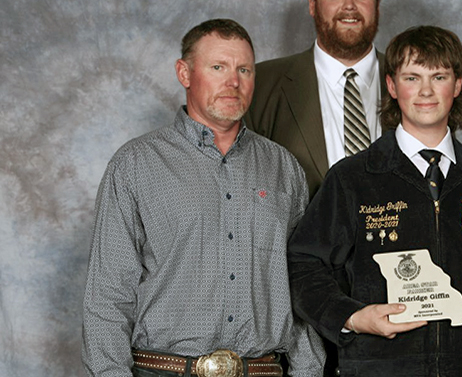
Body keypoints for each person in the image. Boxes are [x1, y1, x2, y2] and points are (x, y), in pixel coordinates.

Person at [82, 19, 324, 377]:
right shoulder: (135, 165)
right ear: (184, 73)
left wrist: (309, 371)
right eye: (218, 67)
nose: (233, 81)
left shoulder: (283, 169)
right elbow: (107, 298)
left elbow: (300, 284)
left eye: (244, 69)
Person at [287, 26, 462, 376]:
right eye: (413, 77)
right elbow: (303, 264)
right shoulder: (352, 180)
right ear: (392, 86)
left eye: (438, 76)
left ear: (457, 85)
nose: (426, 91)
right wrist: (351, 316)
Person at [244, 0, 387, 199]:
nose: (349, 7)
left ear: (377, 4)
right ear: (312, 4)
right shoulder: (260, 84)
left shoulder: (415, 83)